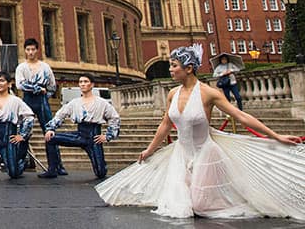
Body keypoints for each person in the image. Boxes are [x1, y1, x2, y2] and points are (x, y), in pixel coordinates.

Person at [96, 45, 305, 220]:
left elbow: (241, 117)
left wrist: (276, 136)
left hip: (206, 152)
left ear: (188, 68)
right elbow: (165, 125)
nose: (170, 69)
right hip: (181, 153)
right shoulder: (172, 94)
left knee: (201, 205)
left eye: (174, 66)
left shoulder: (208, 93)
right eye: (171, 65)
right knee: (180, 206)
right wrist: (150, 149)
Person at [38, 73, 120, 179]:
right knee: (50, 139)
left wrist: (107, 136)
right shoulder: (74, 103)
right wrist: (51, 129)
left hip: (94, 137)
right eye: (81, 82)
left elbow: (114, 118)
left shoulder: (101, 103)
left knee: (100, 173)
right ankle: (52, 169)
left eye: (85, 82)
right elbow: (60, 115)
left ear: (92, 85)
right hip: (80, 135)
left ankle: (101, 167)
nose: (82, 84)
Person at [15, 37, 65, 175]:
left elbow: (52, 86)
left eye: (32, 49)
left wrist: (45, 95)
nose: (30, 52)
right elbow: (20, 84)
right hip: (28, 101)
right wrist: (38, 89)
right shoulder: (22, 67)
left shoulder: (45, 67)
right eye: (28, 49)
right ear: (25, 51)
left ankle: (56, 166)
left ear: (37, 50)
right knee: (24, 132)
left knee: (49, 132)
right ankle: (19, 165)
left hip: (42, 102)